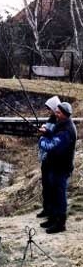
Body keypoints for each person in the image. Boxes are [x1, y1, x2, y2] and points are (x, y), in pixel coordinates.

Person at [38, 102, 77, 234]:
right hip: (55, 166)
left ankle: (60, 223)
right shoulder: (62, 125)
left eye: (59, 113)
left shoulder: (67, 130)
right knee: (53, 193)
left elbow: (51, 146)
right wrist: (47, 132)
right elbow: (55, 136)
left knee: (59, 196)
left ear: (65, 115)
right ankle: (53, 218)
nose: (56, 114)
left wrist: (41, 139)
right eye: (56, 111)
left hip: (62, 168)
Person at [36, 95, 61, 219]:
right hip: (45, 158)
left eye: (49, 108)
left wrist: (45, 133)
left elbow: (55, 139)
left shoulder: (59, 122)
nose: (48, 111)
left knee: (51, 186)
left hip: (53, 159)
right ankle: (46, 209)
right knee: (45, 185)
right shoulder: (50, 119)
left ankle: (52, 211)